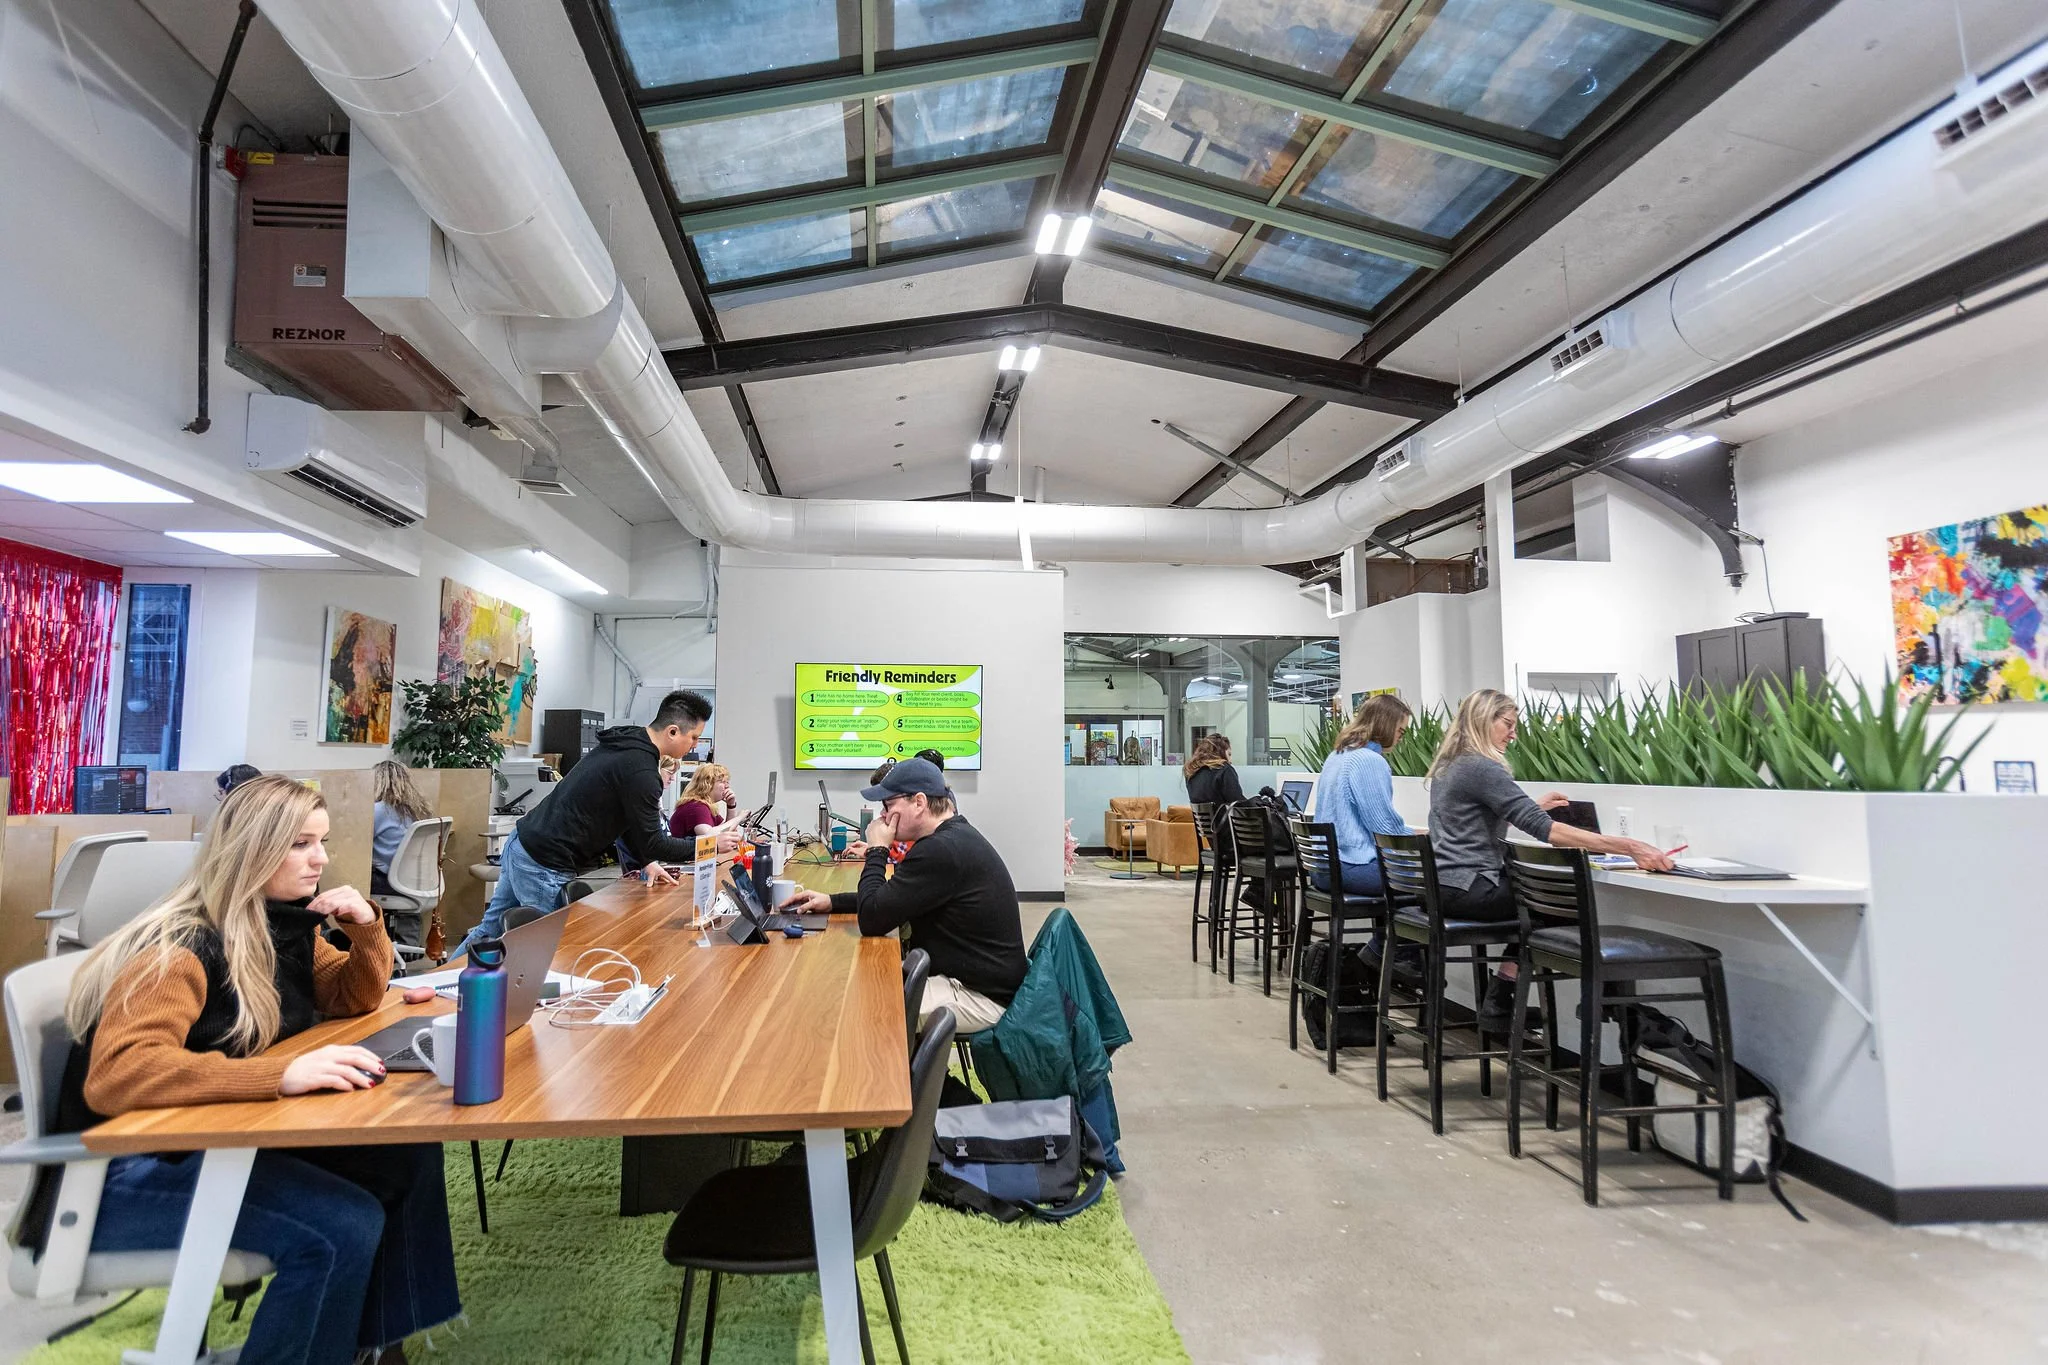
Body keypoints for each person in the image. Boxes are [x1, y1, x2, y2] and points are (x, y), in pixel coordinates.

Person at [57, 775, 458, 1365]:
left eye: (320, 842)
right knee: (340, 1228)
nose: (320, 858)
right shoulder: (180, 946)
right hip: (118, 1176)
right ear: (249, 849)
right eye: (300, 844)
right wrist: (278, 1075)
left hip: (209, 1139)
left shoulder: (280, 922)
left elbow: (348, 997)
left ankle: (371, 1348)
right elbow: (119, 1072)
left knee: (403, 1155)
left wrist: (367, 930)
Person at [1427, 689, 1674, 1034]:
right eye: (1508, 724)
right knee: (1560, 908)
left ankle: (1504, 997)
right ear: (1484, 720)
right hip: (1472, 886)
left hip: (1446, 885)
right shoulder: (1482, 767)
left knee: (1543, 911)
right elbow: (1549, 833)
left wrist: (1531, 807)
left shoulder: (1451, 765)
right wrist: (1629, 846)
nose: (1513, 733)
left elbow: (1474, 819)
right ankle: (1593, 1002)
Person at [455, 690, 712, 958]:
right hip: (544, 861)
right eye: (693, 737)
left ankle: (427, 986)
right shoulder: (642, 770)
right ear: (672, 732)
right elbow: (655, 841)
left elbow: (623, 818)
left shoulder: (626, 743)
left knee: (489, 930)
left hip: (523, 841)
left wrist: (645, 859)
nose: (694, 745)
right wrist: (707, 847)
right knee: (558, 950)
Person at [779, 758, 1025, 1034]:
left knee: (865, 1006)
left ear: (919, 803)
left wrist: (877, 849)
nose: (882, 817)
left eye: (887, 806)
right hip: (970, 980)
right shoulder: (948, 838)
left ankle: (913, 1078)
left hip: (979, 996)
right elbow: (893, 897)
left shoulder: (941, 850)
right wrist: (833, 901)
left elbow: (872, 920)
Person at [1315, 695, 1415, 901]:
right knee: (1433, 877)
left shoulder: (1336, 755)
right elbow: (1385, 829)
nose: (1401, 737)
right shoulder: (1369, 760)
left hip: (1321, 868)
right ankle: (1391, 935)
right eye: (1400, 730)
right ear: (1385, 726)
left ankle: (1381, 935)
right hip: (1351, 868)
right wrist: (1417, 835)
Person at [1182, 734, 1244, 812]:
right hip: (1225, 823)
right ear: (1221, 752)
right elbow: (1239, 804)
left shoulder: (1191, 772)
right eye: (1229, 754)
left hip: (1204, 824)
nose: (1230, 761)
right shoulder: (1224, 770)